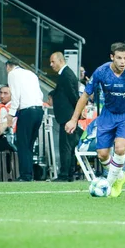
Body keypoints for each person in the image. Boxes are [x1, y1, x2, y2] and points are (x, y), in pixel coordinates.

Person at [65, 43, 125, 196]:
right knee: (102, 154)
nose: (123, 62)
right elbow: (85, 95)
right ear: (112, 57)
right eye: (119, 58)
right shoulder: (101, 72)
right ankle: (120, 176)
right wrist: (74, 119)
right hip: (108, 115)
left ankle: (109, 185)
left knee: (120, 148)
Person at [6, 59, 44, 182]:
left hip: (27, 111)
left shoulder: (12, 74)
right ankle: (28, 174)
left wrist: (11, 115)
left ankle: (25, 175)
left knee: (22, 144)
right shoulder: (31, 74)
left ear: (8, 66)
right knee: (30, 144)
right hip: (38, 110)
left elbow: (15, 96)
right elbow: (40, 94)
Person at [49, 52, 80, 182]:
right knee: (69, 145)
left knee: (65, 146)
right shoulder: (65, 74)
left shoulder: (66, 75)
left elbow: (73, 95)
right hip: (68, 115)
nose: (51, 65)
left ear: (60, 61)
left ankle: (64, 175)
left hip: (68, 116)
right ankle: (69, 173)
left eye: (52, 62)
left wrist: (77, 112)